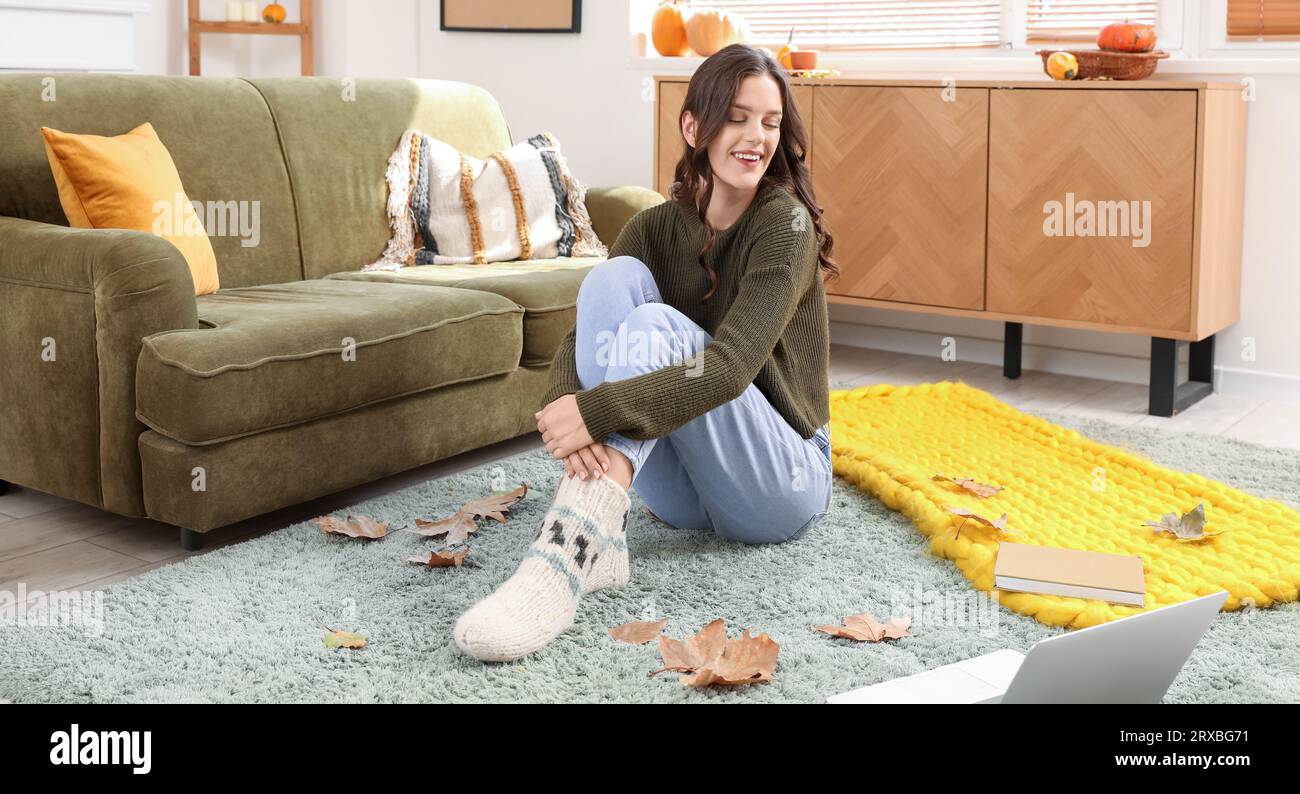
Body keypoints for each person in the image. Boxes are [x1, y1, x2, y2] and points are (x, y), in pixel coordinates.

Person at [454, 43, 839, 662]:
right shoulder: (656, 226)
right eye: (738, 117)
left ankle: (560, 562)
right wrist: (564, 404)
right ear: (695, 126)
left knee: (658, 326)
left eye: (770, 123)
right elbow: (586, 337)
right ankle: (603, 539)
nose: (755, 137)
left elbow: (731, 368)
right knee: (612, 281)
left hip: (780, 483)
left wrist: (598, 411)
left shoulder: (783, 226)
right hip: (686, 497)